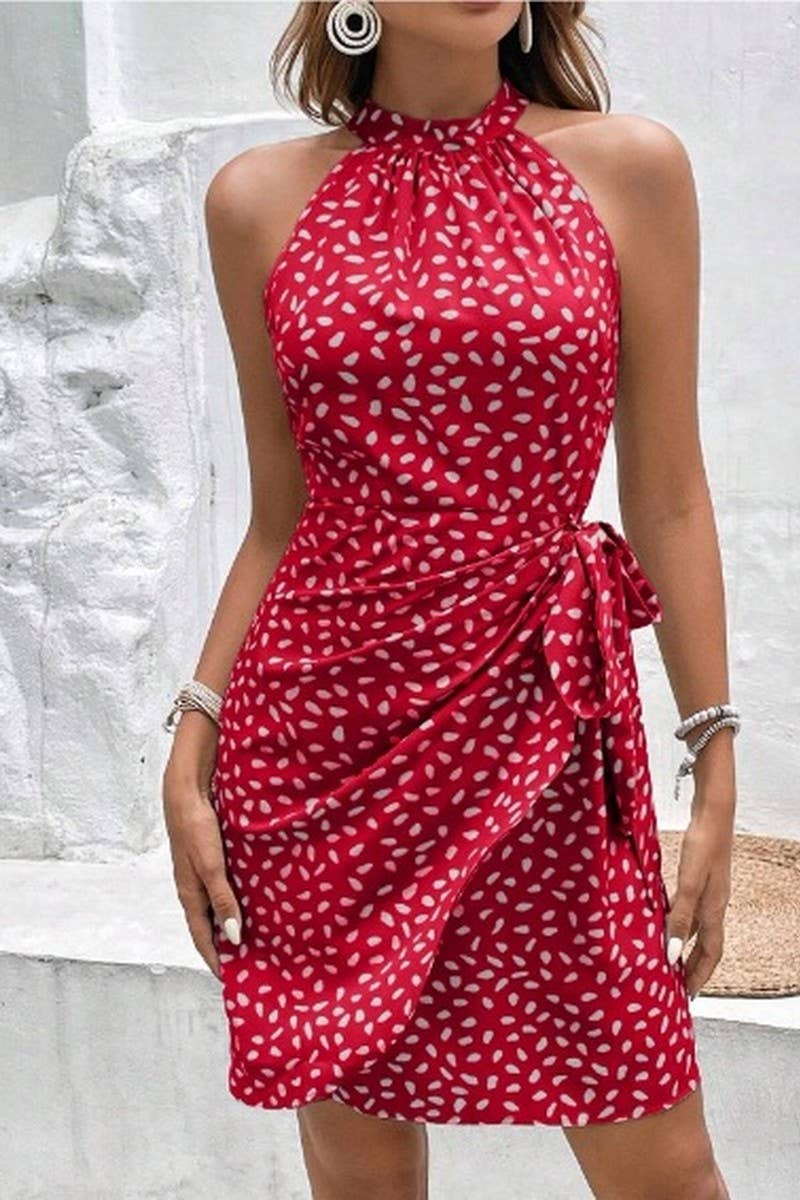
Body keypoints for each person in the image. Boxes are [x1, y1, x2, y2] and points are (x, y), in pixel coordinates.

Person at [162, 3, 738, 1197]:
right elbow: (280, 514)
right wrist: (193, 736)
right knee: (358, 1166)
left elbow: (668, 495)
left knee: (663, 1166)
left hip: (548, 720)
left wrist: (712, 756)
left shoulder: (628, 168)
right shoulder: (255, 200)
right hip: (321, 740)